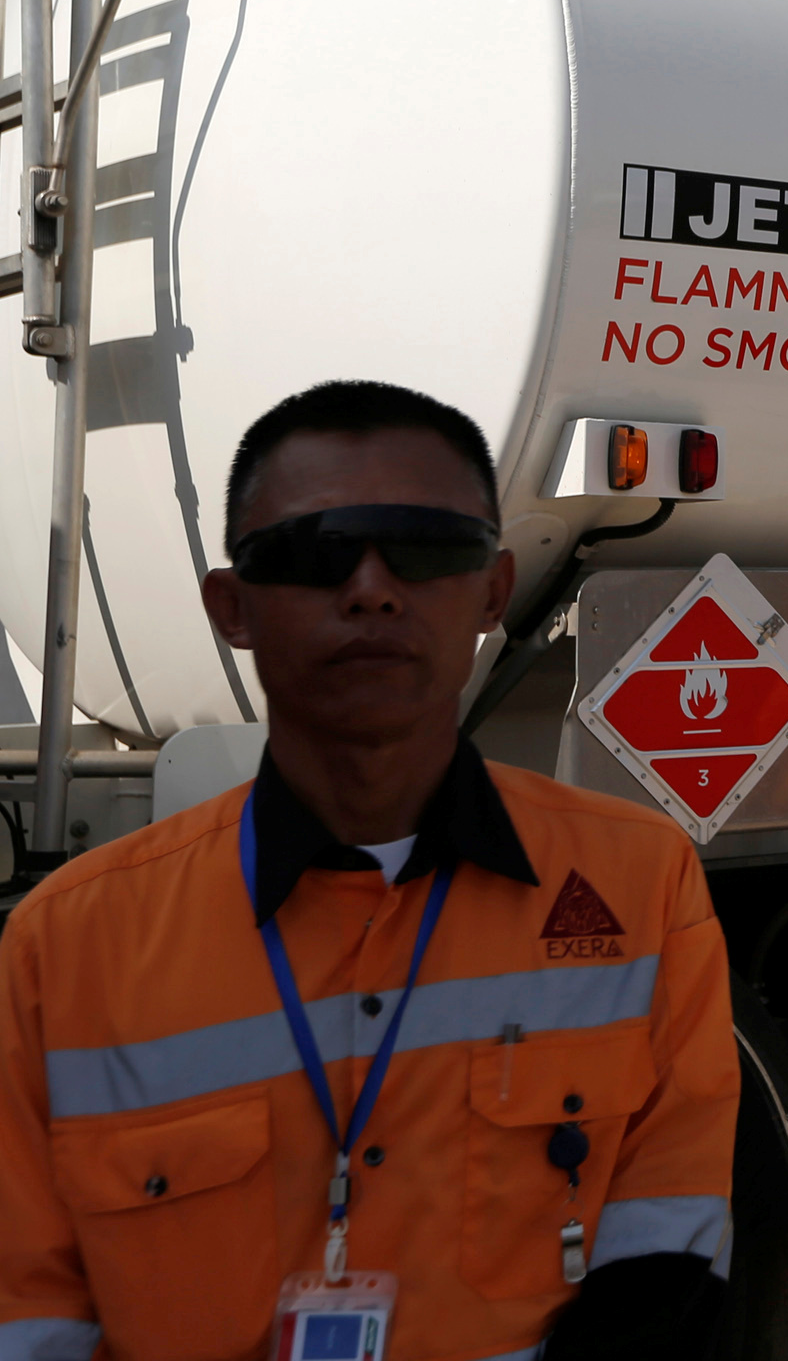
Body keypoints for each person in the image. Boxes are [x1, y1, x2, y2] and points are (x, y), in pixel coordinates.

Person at [0, 380, 737, 1361]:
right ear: (234, 607)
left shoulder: (644, 885)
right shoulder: (62, 944)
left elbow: (667, 1263)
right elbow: (31, 1306)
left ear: (491, 589)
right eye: (314, 554)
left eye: (425, 548)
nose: (372, 588)